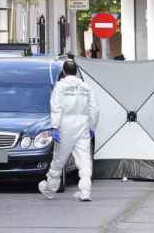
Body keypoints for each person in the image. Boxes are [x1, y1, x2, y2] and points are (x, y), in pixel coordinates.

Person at [39, 60, 100, 202]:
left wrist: (55, 127)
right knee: (84, 160)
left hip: (65, 125)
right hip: (83, 125)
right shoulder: (86, 87)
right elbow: (95, 109)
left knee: (59, 159)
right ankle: (85, 191)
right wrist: (92, 127)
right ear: (77, 71)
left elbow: (56, 107)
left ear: (64, 72)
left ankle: (50, 189)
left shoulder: (60, 87)